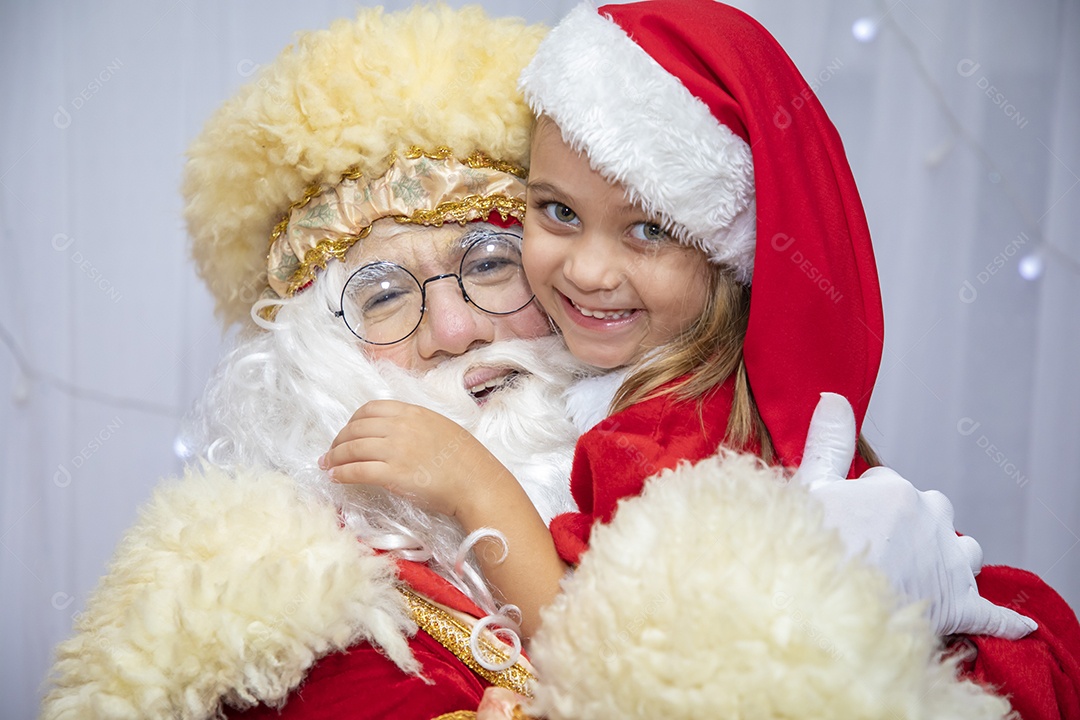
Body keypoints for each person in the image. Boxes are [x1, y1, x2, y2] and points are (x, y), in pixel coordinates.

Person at [325, 1, 1080, 718]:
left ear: (726, 256)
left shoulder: (668, 429)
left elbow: (600, 656)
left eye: (647, 230)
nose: (588, 270)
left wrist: (473, 485)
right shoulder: (621, 377)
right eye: (558, 212)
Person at [40, 7, 577, 719]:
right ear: (307, 353)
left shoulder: (686, 465)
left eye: (488, 262)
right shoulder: (277, 621)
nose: (454, 328)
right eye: (383, 294)